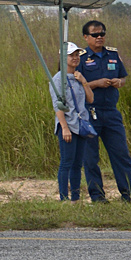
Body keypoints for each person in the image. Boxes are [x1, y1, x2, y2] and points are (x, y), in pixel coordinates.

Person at [78, 20, 131, 202]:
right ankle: (97, 197)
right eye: (95, 35)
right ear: (86, 37)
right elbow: (74, 86)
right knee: (91, 157)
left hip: (111, 112)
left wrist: (119, 82)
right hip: (89, 112)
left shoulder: (113, 54)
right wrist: (96, 84)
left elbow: (123, 77)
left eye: (102, 33)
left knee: (121, 154)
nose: (99, 37)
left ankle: (129, 195)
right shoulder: (79, 58)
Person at [49, 42, 97, 202]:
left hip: (81, 126)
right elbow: (58, 106)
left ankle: (75, 198)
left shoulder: (78, 77)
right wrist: (64, 128)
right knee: (66, 163)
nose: (76, 58)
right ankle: (64, 198)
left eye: (77, 55)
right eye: (72, 55)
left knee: (77, 164)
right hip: (68, 126)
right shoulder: (58, 79)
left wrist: (84, 81)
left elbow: (90, 99)